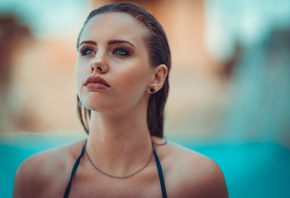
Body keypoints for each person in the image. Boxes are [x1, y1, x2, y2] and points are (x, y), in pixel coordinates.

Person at [13, 2, 228, 198]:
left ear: (156, 78)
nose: (97, 62)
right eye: (87, 50)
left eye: (120, 51)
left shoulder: (196, 180)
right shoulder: (37, 176)